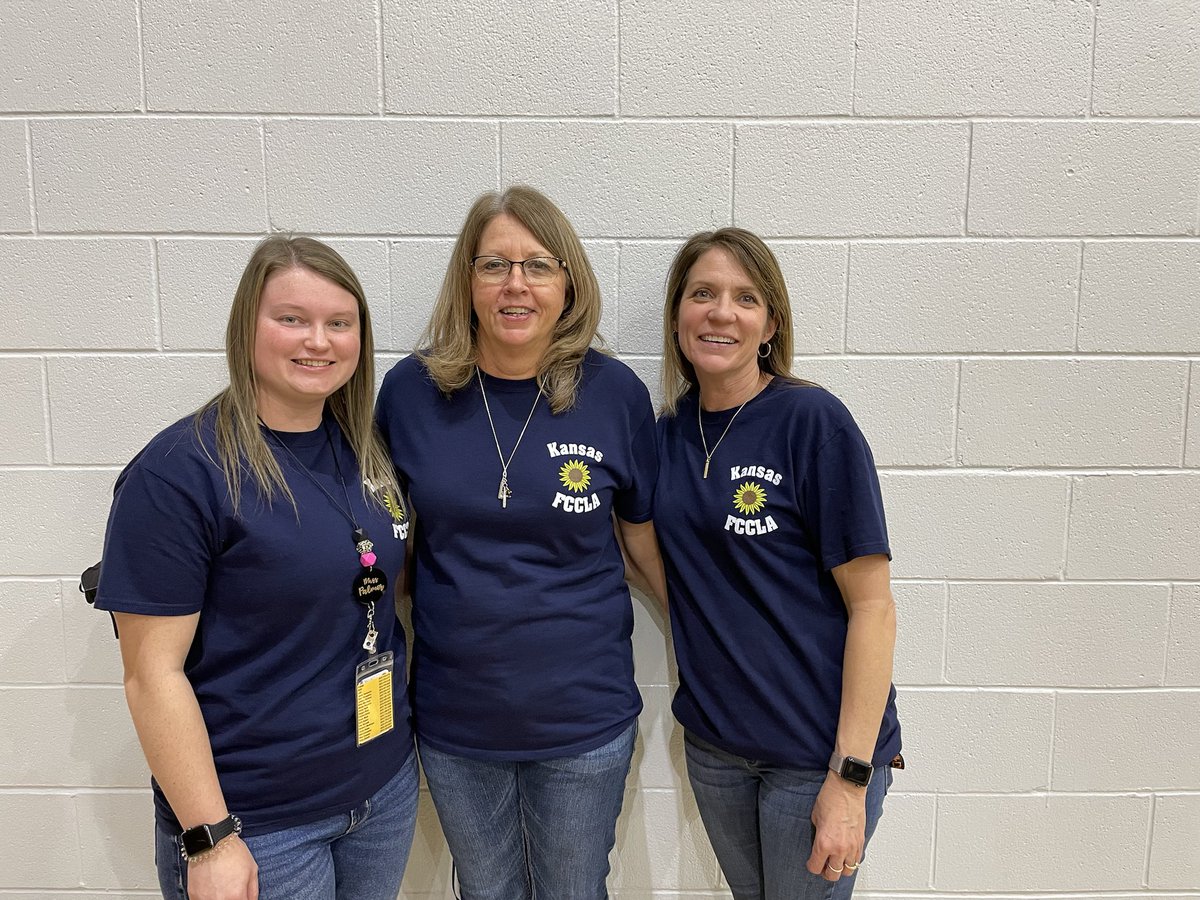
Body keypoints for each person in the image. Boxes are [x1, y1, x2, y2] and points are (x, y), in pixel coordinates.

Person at [94, 236, 418, 900]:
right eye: (292, 319)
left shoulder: (364, 449)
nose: (318, 341)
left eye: (340, 323)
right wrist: (208, 838)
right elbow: (149, 674)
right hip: (257, 822)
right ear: (247, 328)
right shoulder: (181, 473)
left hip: (379, 791)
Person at [375, 185, 664, 900]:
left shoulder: (614, 395)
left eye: (538, 265)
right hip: (454, 718)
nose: (516, 285)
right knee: (486, 890)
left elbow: (644, 546)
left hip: (583, 720)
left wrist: (717, 639)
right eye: (494, 265)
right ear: (465, 282)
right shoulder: (410, 394)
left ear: (568, 282)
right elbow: (393, 553)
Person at [652, 227, 901, 900]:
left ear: (769, 323)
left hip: (814, 756)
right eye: (702, 293)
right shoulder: (667, 434)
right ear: (678, 315)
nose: (720, 312)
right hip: (716, 749)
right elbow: (660, 566)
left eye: (744, 297)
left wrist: (850, 778)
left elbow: (873, 606)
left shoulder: (813, 422)